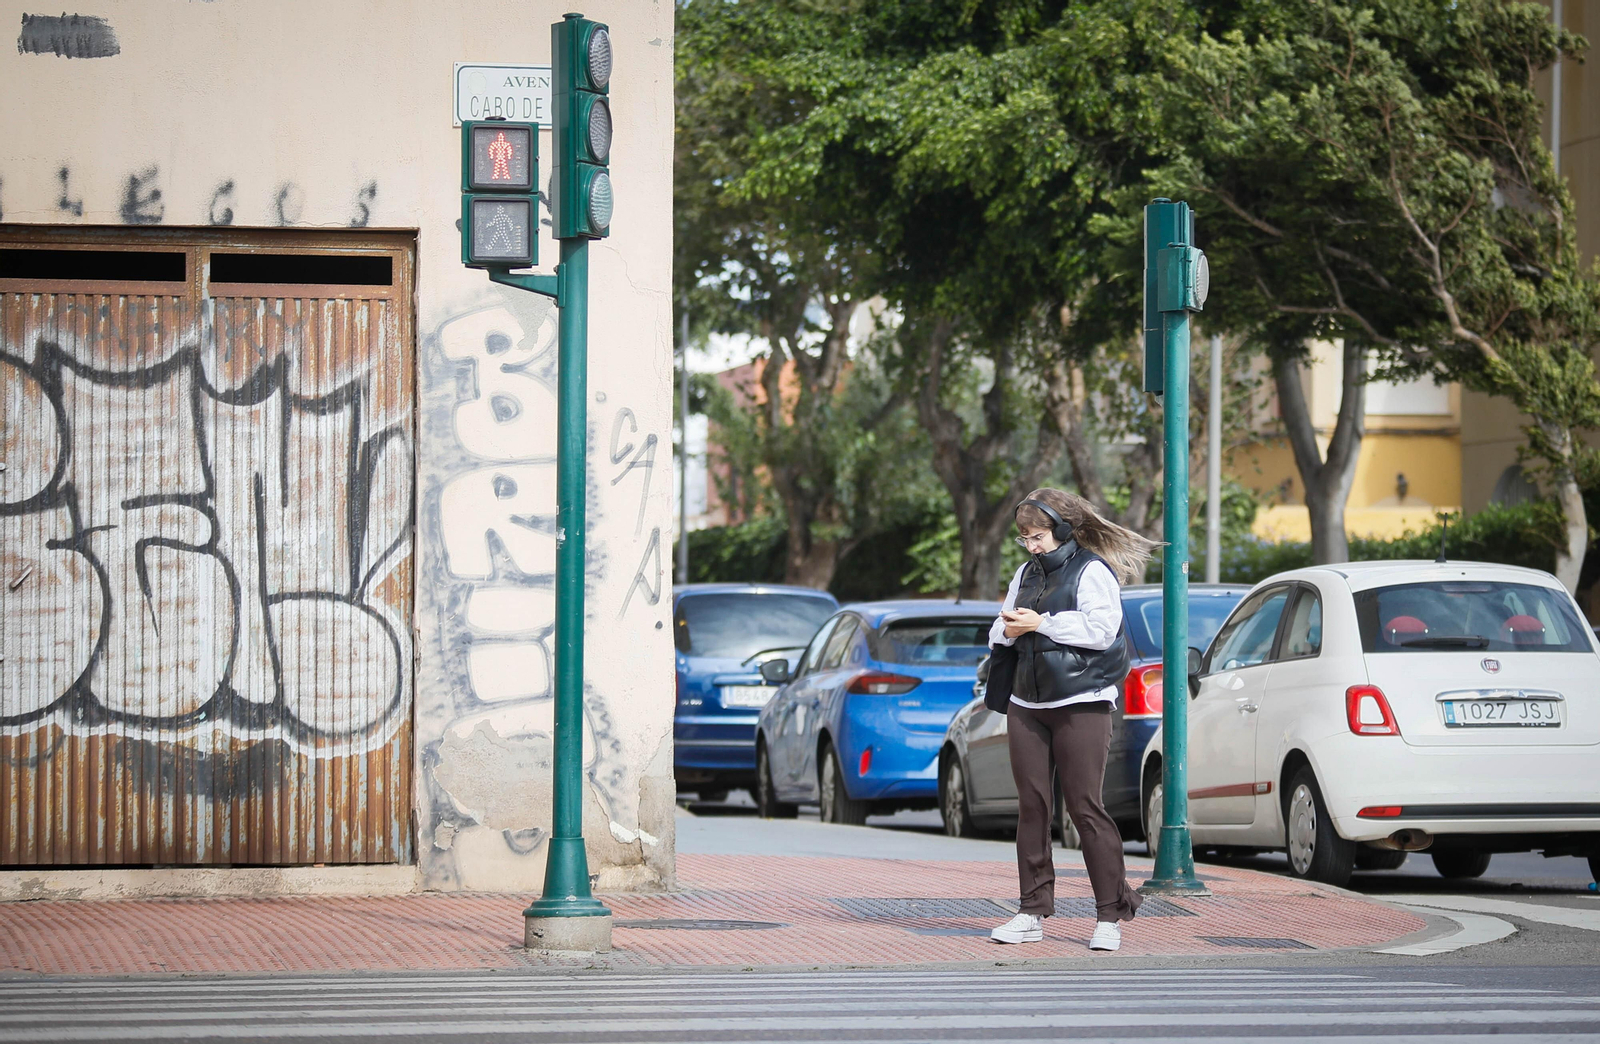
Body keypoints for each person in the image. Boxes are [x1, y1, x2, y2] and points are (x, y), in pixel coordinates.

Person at [985, 488, 1158, 952]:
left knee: (1085, 807)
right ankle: (1030, 911)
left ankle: (1110, 916)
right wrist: (1009, 627)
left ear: (1062, 530)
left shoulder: (1092, 570)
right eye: (1024, 539)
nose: (1032, 546)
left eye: (1037, 536)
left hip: (1082, 700)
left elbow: (1102, 631)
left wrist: (1040, 624)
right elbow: (996, 630)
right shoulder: (1025, 572)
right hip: (1027, 702)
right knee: (1032, 807)